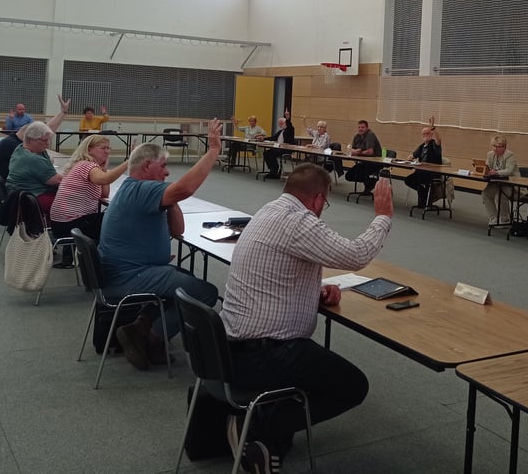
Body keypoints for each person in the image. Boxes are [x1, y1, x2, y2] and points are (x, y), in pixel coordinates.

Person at [219, 163, 393, 472]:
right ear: (316, 199)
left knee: (322, 370)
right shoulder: (298, 221)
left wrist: (316, 290)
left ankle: (263, 427)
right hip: (264, 354)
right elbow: (355, 255)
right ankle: (258, 424)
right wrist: (382, 216)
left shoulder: (268, 212)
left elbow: (275, 274)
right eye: (324, 204)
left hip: (233, 348)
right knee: (352, 386)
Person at [98, 121, 222, 371]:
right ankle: (150, 337)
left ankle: (140, 327)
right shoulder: (142, 189)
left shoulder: (134, 190)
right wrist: (212, 151)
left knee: (185, 282)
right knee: (205, 292)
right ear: (146, 166)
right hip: (131, 276)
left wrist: (169, 199)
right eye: (163, 166)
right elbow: (186, 188)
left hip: (131, 271)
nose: (167, 174)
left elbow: (178, 230)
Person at [49, 134, 128, 242]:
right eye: (103, 148)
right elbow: (105, 180)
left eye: (108, 148)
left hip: (62, 223)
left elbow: (104, 194)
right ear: (89, 150)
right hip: (71, 225)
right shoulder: (87, 165)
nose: (107, 151)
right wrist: (129, 162)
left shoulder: (82, 165)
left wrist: (104, 170)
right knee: (120, 219)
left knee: (111, 218)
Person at [0, 95, 70, 179]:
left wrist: (63, 112)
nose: (47, 144)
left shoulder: (12, 141)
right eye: (43, 140)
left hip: (1, 180)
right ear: (32, 138)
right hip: (8, 182)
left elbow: (45, 129)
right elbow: (44, 168)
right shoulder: (19, 148)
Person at [6, 122, 63, 217]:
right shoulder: (33, 159)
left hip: (18, 194)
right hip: (30, 199)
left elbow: (48, 161)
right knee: (72, 203)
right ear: (32, 139)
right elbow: (57, 180)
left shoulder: (20, 149)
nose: (48, 144)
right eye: (45, 140)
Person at [404, 118, 443, 209]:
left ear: (431, 134)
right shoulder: (422, 146)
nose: (426, 135)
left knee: (420, 181)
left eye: (428, 133)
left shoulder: (434, 145)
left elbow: (439, 140)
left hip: (432, 173)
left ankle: (425, 198)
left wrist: (433, 128)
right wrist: (410, 157)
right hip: (421, 171)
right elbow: (412, 156)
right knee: (409, 180)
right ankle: (425, 195)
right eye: (424, 134)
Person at [480, 135, 518, 226]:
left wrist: (496, 172)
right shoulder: (490, 154)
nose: (495, 149)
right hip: (497, 184)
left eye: (498, 147)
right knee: (485, 193)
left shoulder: (510, 155)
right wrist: (484, 169)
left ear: (504, 147)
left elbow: (509, 171)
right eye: (494, 146)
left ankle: (505, 219)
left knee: (500, 195)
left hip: (511, 186)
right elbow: (488, 166)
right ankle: (493, 218)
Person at [344, 119, 383, 193]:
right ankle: (370, 182)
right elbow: (352, 149)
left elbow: (370, 152)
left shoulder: (370, 135)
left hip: (375, 163)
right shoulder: (357, 136)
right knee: (349, 176)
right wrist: (353, 151)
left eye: (362, 127)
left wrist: (358, 153)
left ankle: (372, 182)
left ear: (367, 128)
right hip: (363, 162)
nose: (360, 129)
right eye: (359, 127)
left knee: (363, 172)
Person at [261, 110, 295, 179]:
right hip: (279, 148)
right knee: (266, 153)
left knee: (271, 154)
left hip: (286, 149)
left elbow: (290, 125)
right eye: (279, 124)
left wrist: (288, 118)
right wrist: (263, 139)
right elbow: (273, 137)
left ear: (285, 123)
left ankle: (274, 171)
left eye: (281, 123)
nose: (280, 125)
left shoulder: (290, 129)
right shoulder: (280, 131)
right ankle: (272, 170)